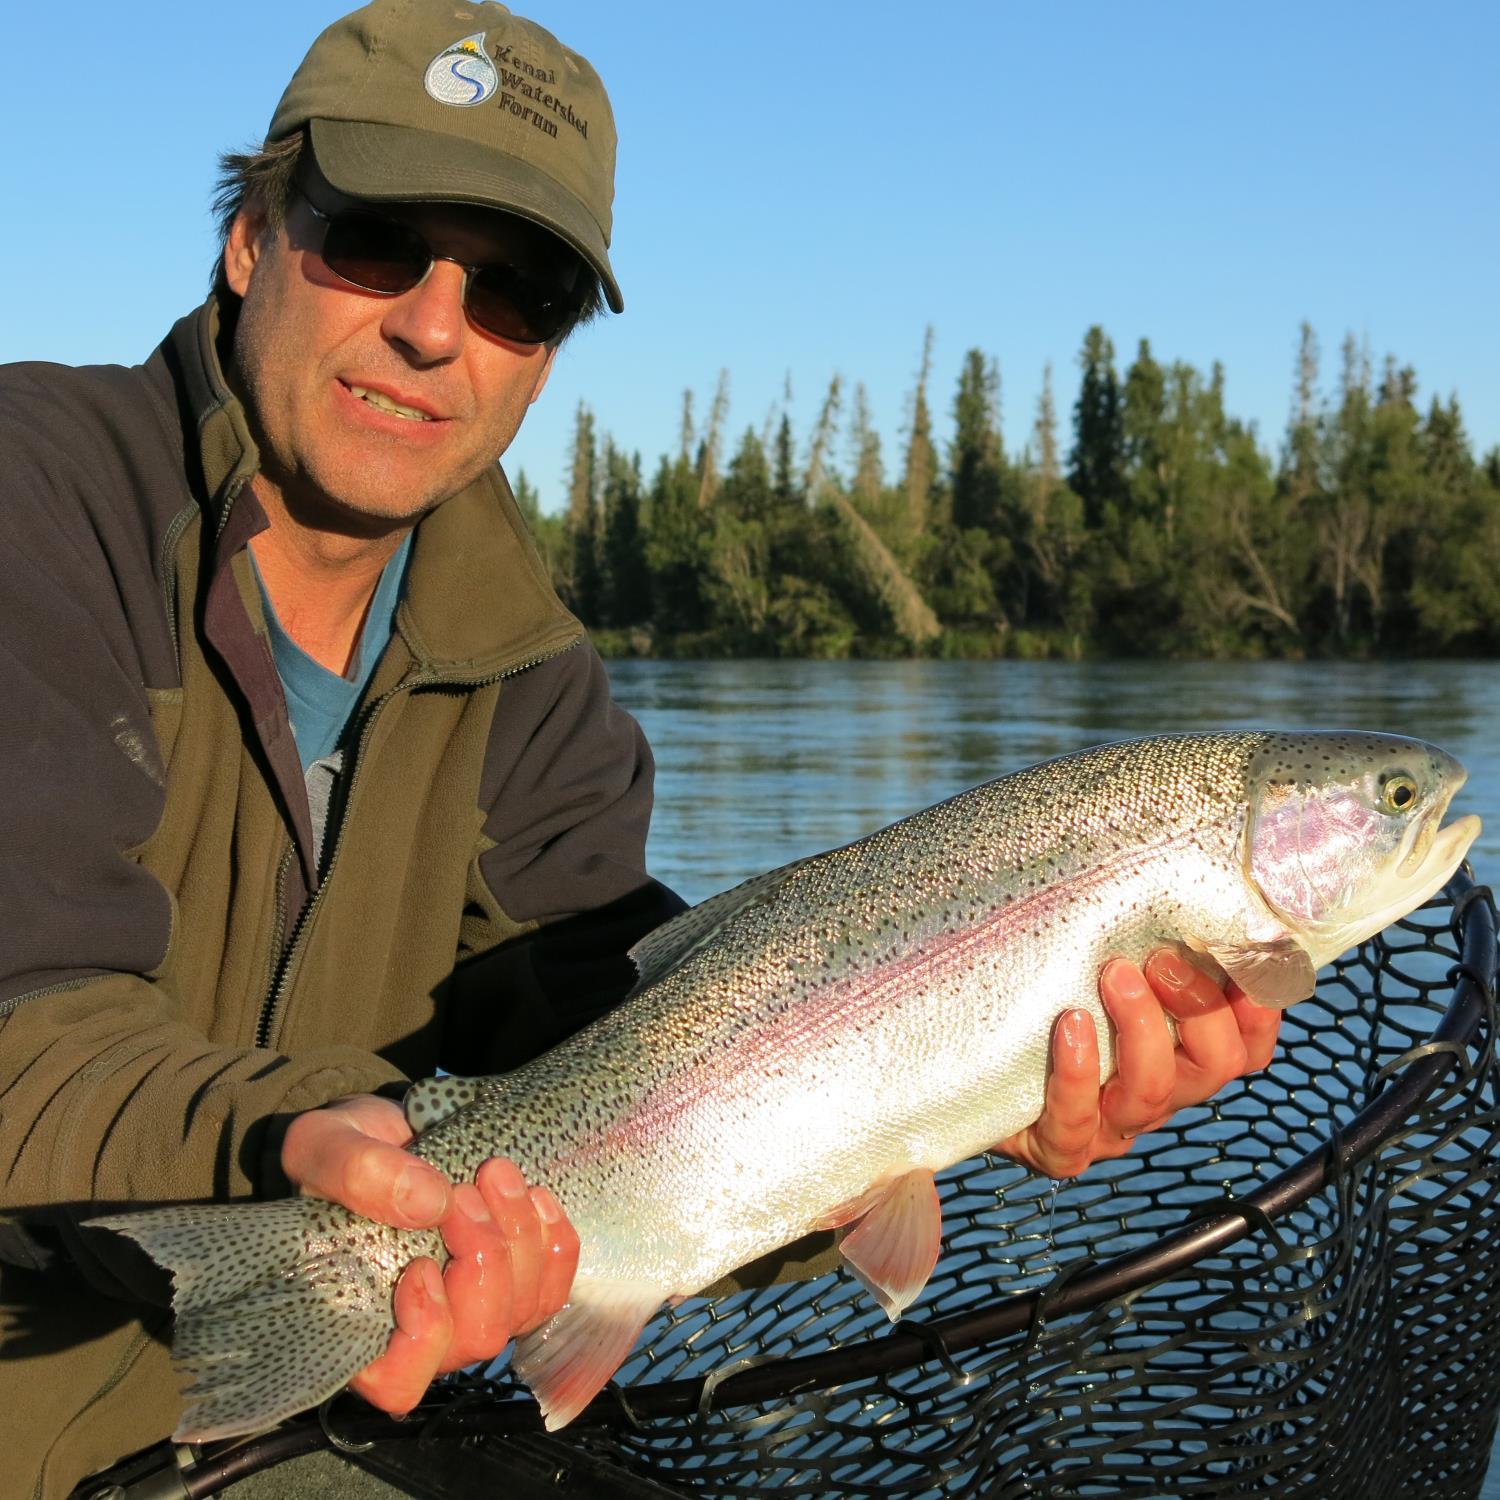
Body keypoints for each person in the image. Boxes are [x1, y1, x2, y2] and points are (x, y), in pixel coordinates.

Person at [0, 3, 1280, 1494]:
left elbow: (627, 1091)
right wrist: (289, 1143)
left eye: (517, 292)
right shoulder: (40, 511)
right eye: (374, 240)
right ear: (252, 235)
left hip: (310, 1407)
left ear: (545, 354)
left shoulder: (537, 687)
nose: (431, 324)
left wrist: (968, 1095)